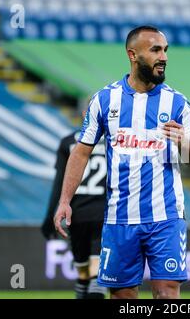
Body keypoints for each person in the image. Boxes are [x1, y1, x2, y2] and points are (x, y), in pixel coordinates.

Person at [54, 25, 190, 299]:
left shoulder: (178, 103)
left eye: (166, 50)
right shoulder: (104, 100)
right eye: (156, 50)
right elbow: (81, 152)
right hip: (119, 217)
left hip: (166, 216)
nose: (164, 57)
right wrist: (65, 200)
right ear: (132, 55)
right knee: (123, 295)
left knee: (167, 291)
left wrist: (183, 143)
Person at [41, 127, 108, 299]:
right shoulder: (114, 140)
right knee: (95, 277)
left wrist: (49, 216)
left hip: (76, 215)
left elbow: (59, 181)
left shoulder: (68, 141)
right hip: (104, 213)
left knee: (84, 276)